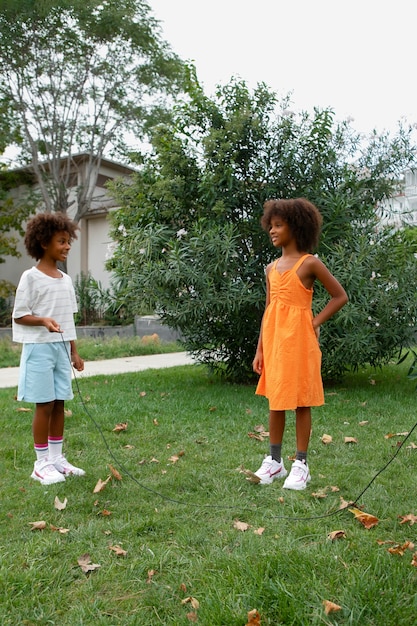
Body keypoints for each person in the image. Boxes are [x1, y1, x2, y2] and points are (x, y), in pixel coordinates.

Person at [251, 198, 348, 490]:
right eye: (271, 225)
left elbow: (339, 296)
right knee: (276, 398)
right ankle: (274, 462)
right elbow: (269, 310)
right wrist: (260, 349)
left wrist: (314, 323)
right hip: (275, 342)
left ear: (296, 226)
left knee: (302, 400)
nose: (272, 230)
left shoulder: (310, 263)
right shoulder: (271, 268)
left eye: (279, 225)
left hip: (300, 342)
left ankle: (301, 464)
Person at [12, 212, 86, 485]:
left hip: (60, 349)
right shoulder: (30, 277)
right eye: (62, 241)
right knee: (44, 404)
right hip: (39, 349)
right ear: (44, 243)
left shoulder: (65, 281)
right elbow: (19, 315)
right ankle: (41, 463)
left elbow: (68, 320)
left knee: (58, 404)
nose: (67, 246)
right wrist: (42, 320)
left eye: (68, 241)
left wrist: (74, 352)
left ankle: (57, 458)